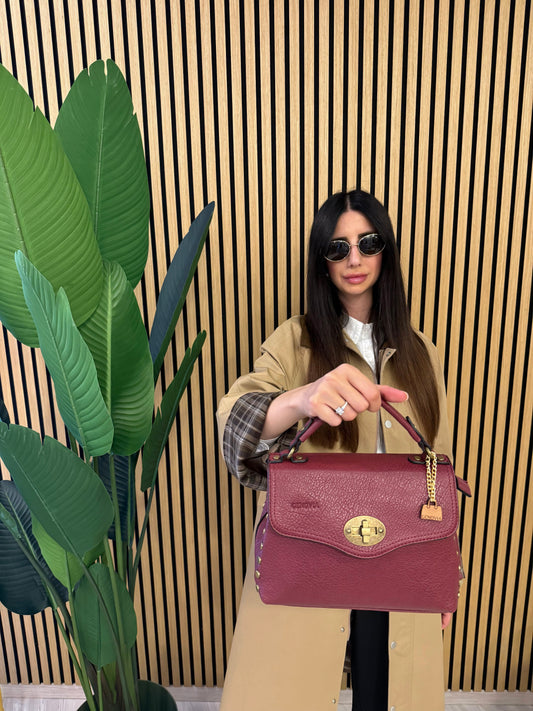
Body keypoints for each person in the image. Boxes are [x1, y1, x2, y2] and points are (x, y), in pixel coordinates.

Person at [216, 189, 454, 711]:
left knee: (388, 694)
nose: (354, 259)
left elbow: (440, 472)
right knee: (293, 690)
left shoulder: (422, 353)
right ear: (322, 261)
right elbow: (234, 423)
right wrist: (302, 398)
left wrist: (444, 572)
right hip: (310, 551)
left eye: (368, 243)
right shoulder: (294, 341)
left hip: (401, 557)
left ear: (385, 251)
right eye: (337, 247)